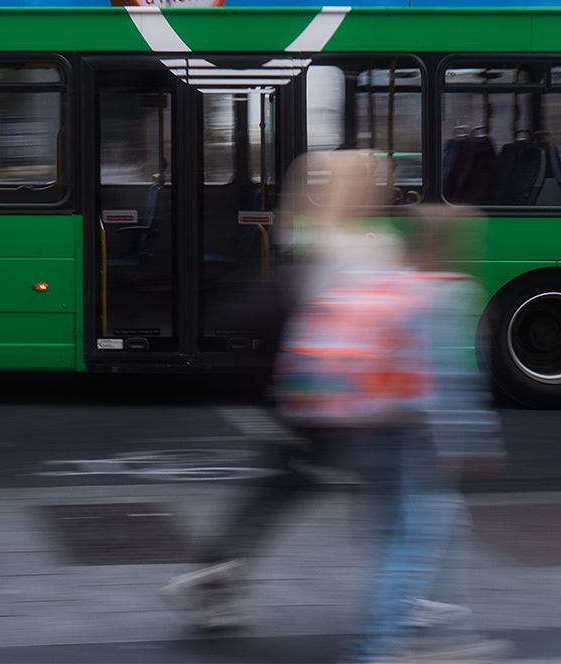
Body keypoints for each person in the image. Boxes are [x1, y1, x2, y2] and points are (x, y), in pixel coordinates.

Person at [163, 154, 506, 660]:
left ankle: (217, 571)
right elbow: (395, 328)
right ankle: (405, 622)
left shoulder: (305, 233)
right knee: (409, 517)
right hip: (358, 408)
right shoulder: (373, 244)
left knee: (296, 492)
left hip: (302, 394)